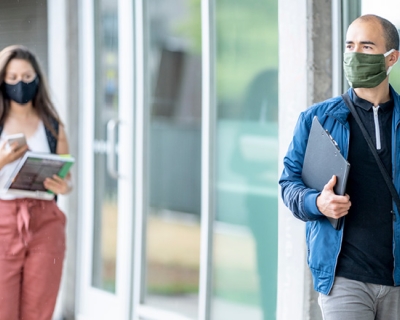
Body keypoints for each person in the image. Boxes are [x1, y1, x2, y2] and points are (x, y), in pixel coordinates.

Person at [279, 14, 400, 320]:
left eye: (367, 47)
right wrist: (317, 202)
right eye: (350, 46)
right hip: (344, 278)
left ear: (391, 58)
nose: (355, 55)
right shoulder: (318, 120)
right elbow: (289, 183)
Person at [0, 45, 72, 320]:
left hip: (45, 223)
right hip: (3, 221)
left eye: (27, 77)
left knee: (39, 310)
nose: (21, 84)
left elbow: (68, 176)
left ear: (38, 79)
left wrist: (66, 187)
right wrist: (4, 159)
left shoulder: (52, 125)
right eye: (13, 78)